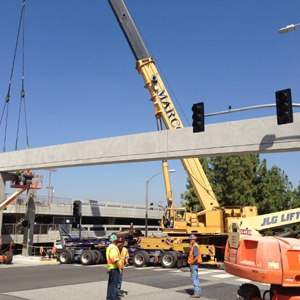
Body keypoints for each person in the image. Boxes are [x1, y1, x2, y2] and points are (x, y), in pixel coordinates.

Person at [106, 234, 122, 300]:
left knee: (110, 284)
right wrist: (120, 268)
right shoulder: (113, 248)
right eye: (116, 241)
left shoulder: (109, 247)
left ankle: (109, 297)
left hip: (110, 267)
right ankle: (113, 298)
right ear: (114, 241)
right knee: (114, 285)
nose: (117, 242)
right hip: (114, 268)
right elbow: (115, 259)